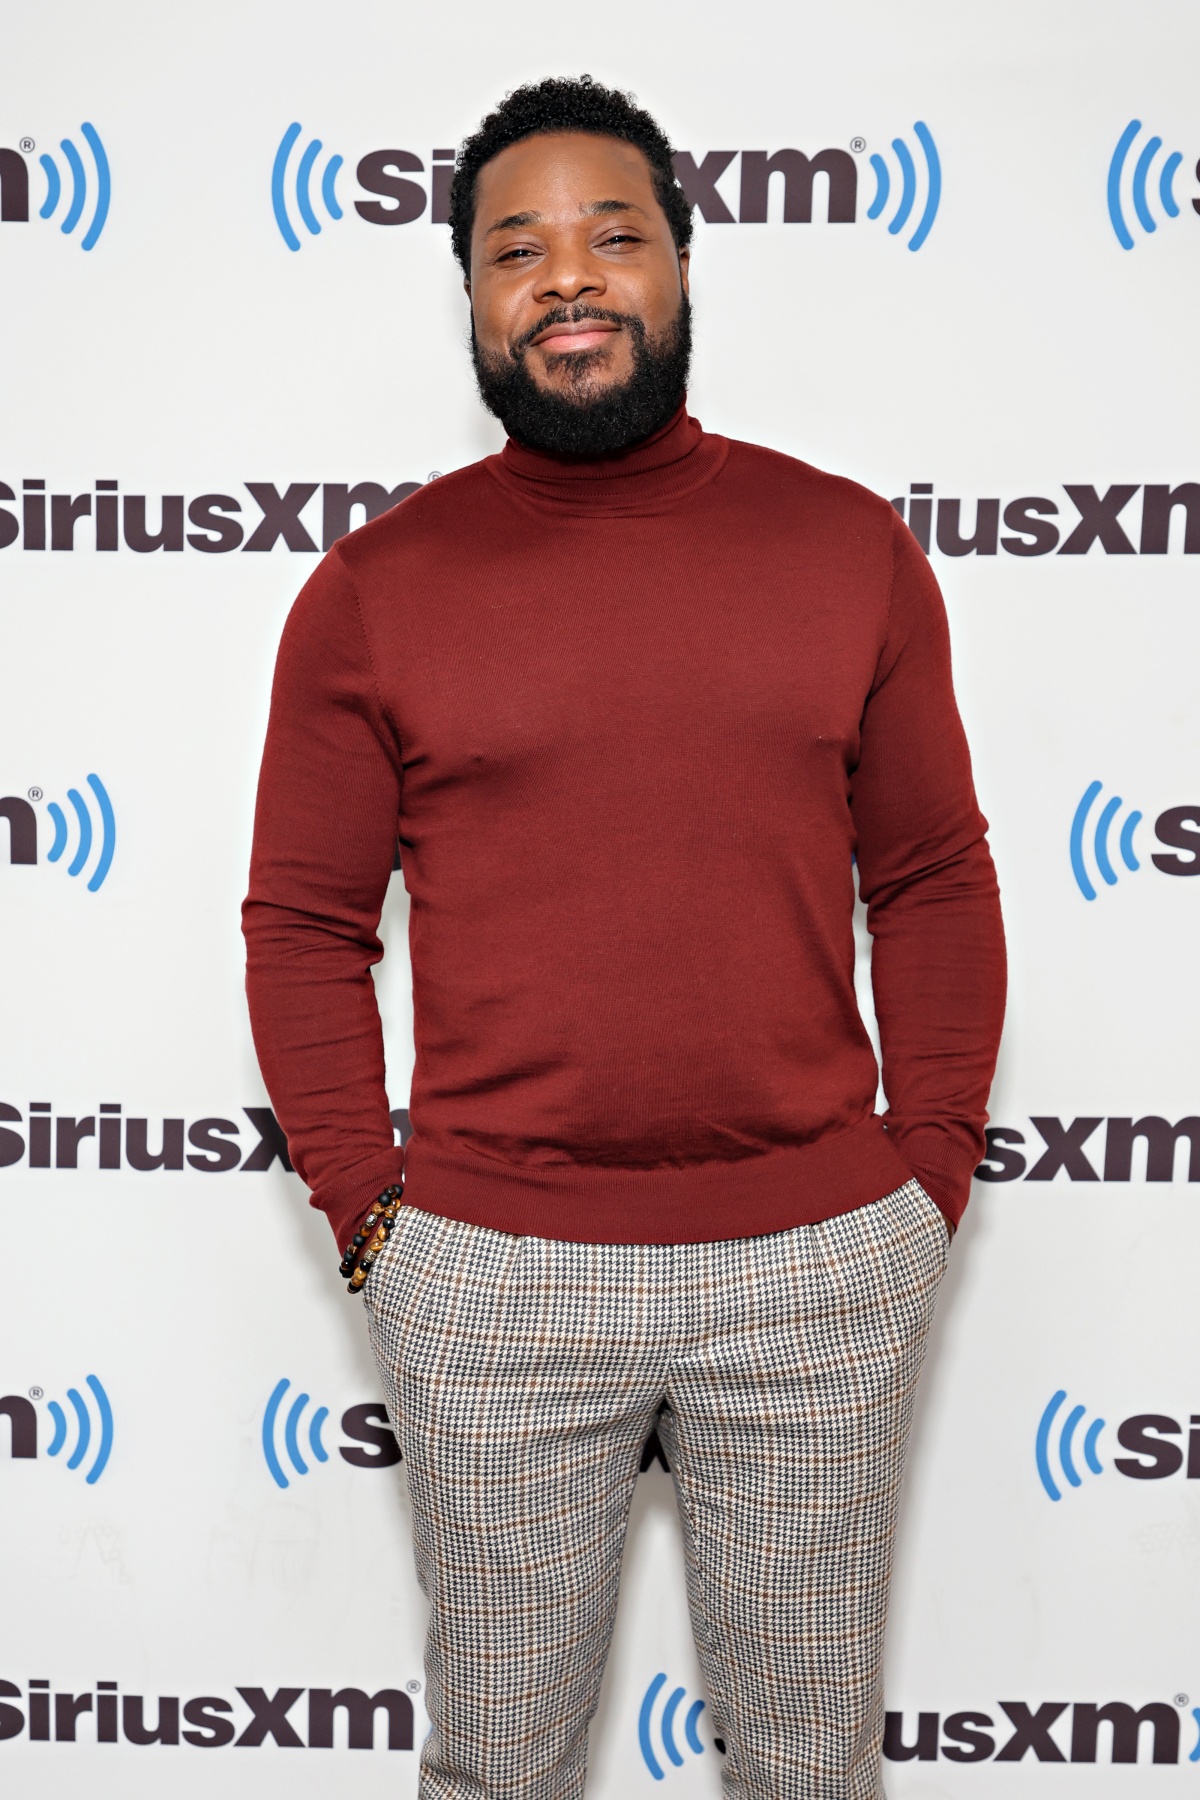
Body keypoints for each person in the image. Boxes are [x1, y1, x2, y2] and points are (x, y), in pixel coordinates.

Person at [243, 74, 1005, 1800]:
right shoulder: (372, 593)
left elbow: (936, 879)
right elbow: (300, 925)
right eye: (518, 249)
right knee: (500, 1769)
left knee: (809, 1770)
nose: (569, 277)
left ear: (680, 264)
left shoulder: (848, 549)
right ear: (471, 295)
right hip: (491, 1274)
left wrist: (927, 1180)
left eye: (614, 234)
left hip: (819, 1264)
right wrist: (376, 1220)